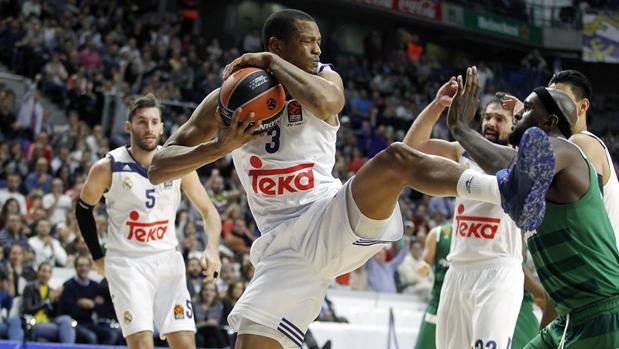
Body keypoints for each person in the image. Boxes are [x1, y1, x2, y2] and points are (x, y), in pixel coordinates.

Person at [148, 9, 552, 349]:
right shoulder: (228, 99)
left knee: (395, 158)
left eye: (318, 41)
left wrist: (270, 65)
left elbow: (328, 102)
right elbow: (158, 166)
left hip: (330, 215)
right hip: (281, 249)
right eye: (307, 41)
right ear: (278, 43)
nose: (318, 48)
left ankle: (504, 187)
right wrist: (217, 148)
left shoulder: (325, 76)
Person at [449, 66, 619, 349]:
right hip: (573, 300)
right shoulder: (549, 160)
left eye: (529, 109)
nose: (518, 114)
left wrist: (461, 129)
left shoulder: (577, 145)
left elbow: (522, 164)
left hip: (601, 297)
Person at [76, 93, 222, 349]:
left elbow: (209, 211)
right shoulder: (107, 167)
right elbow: (83, 209)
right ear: (128, 126)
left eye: (155, 122)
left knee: (187, 345)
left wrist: (212, 248)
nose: (149, 128)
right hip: (127, 264)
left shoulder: (178, 163)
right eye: (142, 121)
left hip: (167, 261)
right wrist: (97, 255)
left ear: (163, 128)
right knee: (142, 345)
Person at [405, 78, 524, 348]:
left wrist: (525, 112)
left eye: (500, 119)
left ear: (514, 124)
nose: (491, 123)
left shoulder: (521, 156)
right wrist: (438, 105)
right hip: (457, 269)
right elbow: (410, 149)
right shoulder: (463, 151)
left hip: (498, 271)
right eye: (488, 117)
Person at [548, 70, 619, 249]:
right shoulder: (565, 147)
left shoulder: (582, 142)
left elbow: (587, 216)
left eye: (561, 99)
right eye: (549, 101)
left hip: (600, 267)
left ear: (583, 106)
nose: (553, 107)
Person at [59, 255, 118, 344]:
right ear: (76, 267)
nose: (84, 268)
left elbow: (106, 306)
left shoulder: (96, 286)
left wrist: (93, 305)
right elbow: (66, 309)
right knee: (91, 337)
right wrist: (82, 305)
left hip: (91, 323)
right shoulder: (68, 285)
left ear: (90, 267)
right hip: (74, 323)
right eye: (81, 265)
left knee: (111, 334)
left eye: (86, 265)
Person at [414, 224, 452, 349]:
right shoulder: (439, 233)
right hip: (438, 303)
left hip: (468, 304)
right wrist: (422, 268)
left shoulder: (484, 236)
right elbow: (424, 263)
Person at [22, 262, 75, 343]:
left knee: (66, 320)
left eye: (49, 272)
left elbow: (56, 314)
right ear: (38, 272)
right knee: (65, 331)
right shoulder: (30, 287)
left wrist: (57, 300)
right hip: (33, 323)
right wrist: (48, 301)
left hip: (48, 322)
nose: (46, 274)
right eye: (43, 271)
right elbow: (28, 309)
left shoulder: (51, 290)